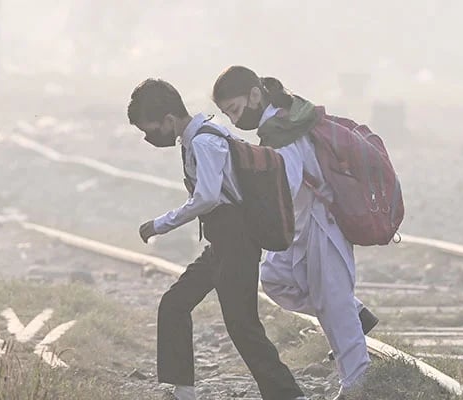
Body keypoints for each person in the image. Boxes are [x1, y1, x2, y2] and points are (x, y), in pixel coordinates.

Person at [127, 78, 308, 400]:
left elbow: (207, 197)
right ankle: (182, 389)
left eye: (151, 129)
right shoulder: (198, 136)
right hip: (223, 242)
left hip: (236, 241)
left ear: (169, 120)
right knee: (175, 304)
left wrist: (161, 224)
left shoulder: (204, 142)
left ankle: (288, 395)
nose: (149, 138)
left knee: (242, 325)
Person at [212, 65, 378, 399]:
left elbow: (285, 183)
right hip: (302, 222)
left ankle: (359, 384)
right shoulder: (279, 123)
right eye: (228, 114)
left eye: (235, 109)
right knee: (275, 277)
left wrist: (248, 200)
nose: (234, 119)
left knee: (333, 301)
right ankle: (355, 316)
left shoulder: (280, 131)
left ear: (255, 95)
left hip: (321, 221)